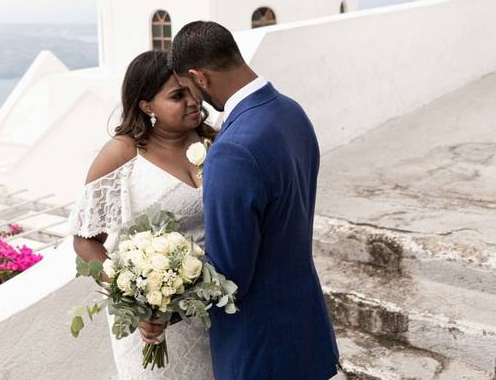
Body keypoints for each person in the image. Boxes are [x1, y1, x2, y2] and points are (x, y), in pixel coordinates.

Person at [167, 20, 340, 380]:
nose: (195, 101)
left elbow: (229, 274)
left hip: (259, 348)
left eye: (188, 88)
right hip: (306, 329)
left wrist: (163, 308)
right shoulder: (292, 112)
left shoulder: (233, 150)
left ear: (200, 77)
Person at [68, 49, 217, 379]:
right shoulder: (123, 153)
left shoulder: (214, 140)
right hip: (151, 321)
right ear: (146, 105)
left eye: (194, 90)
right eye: (178, 95)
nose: (193, 101)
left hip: (212, 307)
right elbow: (85, 239)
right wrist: (134, 301)